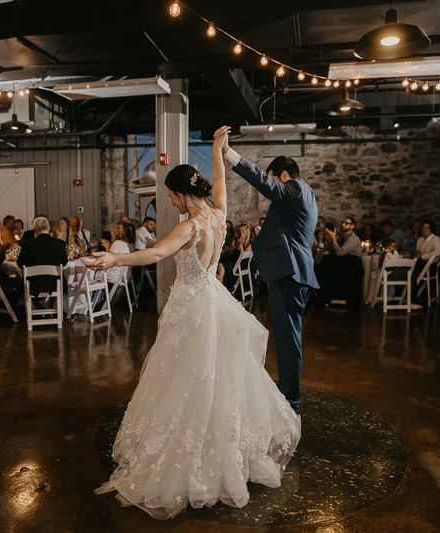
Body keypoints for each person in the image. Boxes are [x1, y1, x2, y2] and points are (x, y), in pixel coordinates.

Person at [84, 125, 299, 520]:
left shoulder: (189, 226)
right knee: (214, 379)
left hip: (191, 307)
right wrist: (219, 148)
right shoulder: (218, 214)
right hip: (215, 302)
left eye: (170, 196)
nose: (171, 202)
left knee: (185, 377)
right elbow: (220, 181)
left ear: (183, 194)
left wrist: (113, 259)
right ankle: (223, 447)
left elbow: (155, 255)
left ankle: (191, 454)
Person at [222, 126, 318, 412]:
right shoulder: (307, 195)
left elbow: (265, 182)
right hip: (293, 272)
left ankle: (290, 397)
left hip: (289, 273)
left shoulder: (293, 190)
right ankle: (288, 390)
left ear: (284, 176)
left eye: (276, 179)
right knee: (290, 336)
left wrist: (228, 153)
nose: (274, 187)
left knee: (288, 339)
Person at [17, 217, 68, 295]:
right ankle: (53, 304)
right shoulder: (60, 244)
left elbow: (20, 263)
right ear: (49, 228)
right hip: (54, 284)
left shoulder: (26, 244)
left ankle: (34, 305)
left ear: (35, 229)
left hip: (33, 286)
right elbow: (64, 263)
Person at [216, 223, 251, 291]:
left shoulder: (250, 244)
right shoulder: (235, 238)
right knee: (222, 259)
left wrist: (241, 245)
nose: (241, 232)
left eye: (243, 230)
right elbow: (229, 251)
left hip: (240, 264)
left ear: (247, 231)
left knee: (222, 262)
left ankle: (219, 280)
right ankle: (220, 279)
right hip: (232, 260)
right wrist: (237, 244)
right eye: (239, 230)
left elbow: (243, 256)